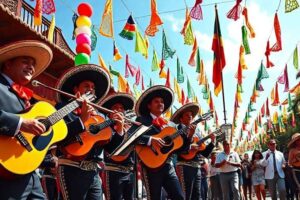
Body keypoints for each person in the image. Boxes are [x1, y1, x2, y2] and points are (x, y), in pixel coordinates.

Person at [55, 64, 122, 200]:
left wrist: (119, 129)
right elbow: (59, 137)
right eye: (86, 86)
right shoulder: (63, 108)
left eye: (93, 88)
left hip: (94, 174)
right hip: (71, 169)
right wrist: (82, 119)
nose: (91, 89)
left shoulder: (101, 116)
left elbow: (111, 149)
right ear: (76, 90)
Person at [0, 40, 53, 199]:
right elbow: (22, 124)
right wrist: (21, 123)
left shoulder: (25, 97)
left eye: (33, 64)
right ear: (8, 64)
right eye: (25, 62)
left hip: (28, 171)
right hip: (4, 172)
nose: (31, 66)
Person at [133, 85, 185, 200]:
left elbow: (181, 148)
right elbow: (132, 137)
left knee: (179, 196)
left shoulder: (170, 125)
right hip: (151, 165)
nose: (160, 103)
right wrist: (151, 140)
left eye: (162, 101)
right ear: (149, 106)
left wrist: (190, 135)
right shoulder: (142, 120)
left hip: (168, 166)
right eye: (156, 101)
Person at [171, 103, 215, 200]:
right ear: (181, 119)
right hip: (184, 166)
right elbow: (178, 149)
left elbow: (204, 153)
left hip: (197, 168)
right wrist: (190, 143)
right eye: (187, 115)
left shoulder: (197, 132)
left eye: (191, 115)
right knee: (186, 196)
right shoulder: (177, 130)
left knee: (197, 196)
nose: (190, 116)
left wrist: (212, 142)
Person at [100, 92, 136, 200]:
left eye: (121, 108)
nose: (119, 110)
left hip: (129, 173)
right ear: (109, 114)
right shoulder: (106, 129)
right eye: (115, 108)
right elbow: (111, 150)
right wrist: (119, 128)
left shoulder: (130, 129)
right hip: (113, 173)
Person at [288, 133, 300, 199]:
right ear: (295, 142)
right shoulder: (292, 150)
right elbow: (289, 163)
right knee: (299, 187)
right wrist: (296, 159)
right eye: (298, 140)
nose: (299, 141)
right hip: (296, 171)